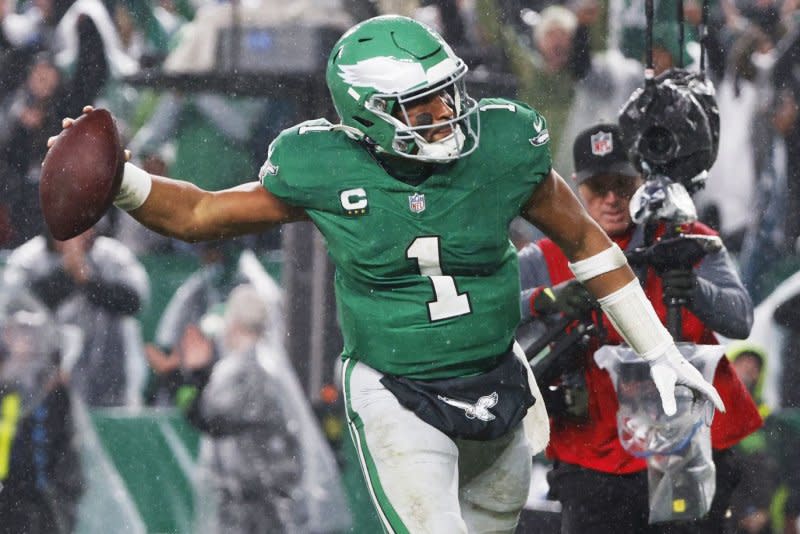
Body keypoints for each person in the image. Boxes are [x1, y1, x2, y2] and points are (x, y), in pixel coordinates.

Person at [52, 15, 724, 532]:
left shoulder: (502, 144)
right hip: (399, 392)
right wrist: (125, 183)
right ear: (368, 113)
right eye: (422, 104)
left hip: (499, 382)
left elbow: (586, 241)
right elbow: (202, 212)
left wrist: (656, 348)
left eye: (448, 93)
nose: (447, 112)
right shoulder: (324, 165)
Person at [518, 122, 762, 533]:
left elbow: (741, 319)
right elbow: (485, 310)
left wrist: (694, 289)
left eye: (623, 183)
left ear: (643, 180)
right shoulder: (543, 256)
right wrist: (545, 299)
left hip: (691, 452)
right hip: (593, 461)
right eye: (598, 187)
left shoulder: (687, 238)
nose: (612, 198)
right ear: (576, 187)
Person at [184, 285, 307, 533]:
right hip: (261, 498)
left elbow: (211, 418)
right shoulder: (264, 366)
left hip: (254, 502)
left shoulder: (247, 370)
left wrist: (194, 376)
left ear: (235, 322)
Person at [3, 226, 150, 407]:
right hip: (43, 383)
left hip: (111, 377)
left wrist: (88, 281)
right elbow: (14, 309)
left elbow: (134, 302)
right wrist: (66, 274)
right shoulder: (27, 258)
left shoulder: (113, 255)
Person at [0, 286, 83, 534]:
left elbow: (63, 457)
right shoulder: (8, 383)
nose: (23, 340)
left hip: (37, 505)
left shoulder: (52, 388)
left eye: (29, 332)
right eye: (16, 331)